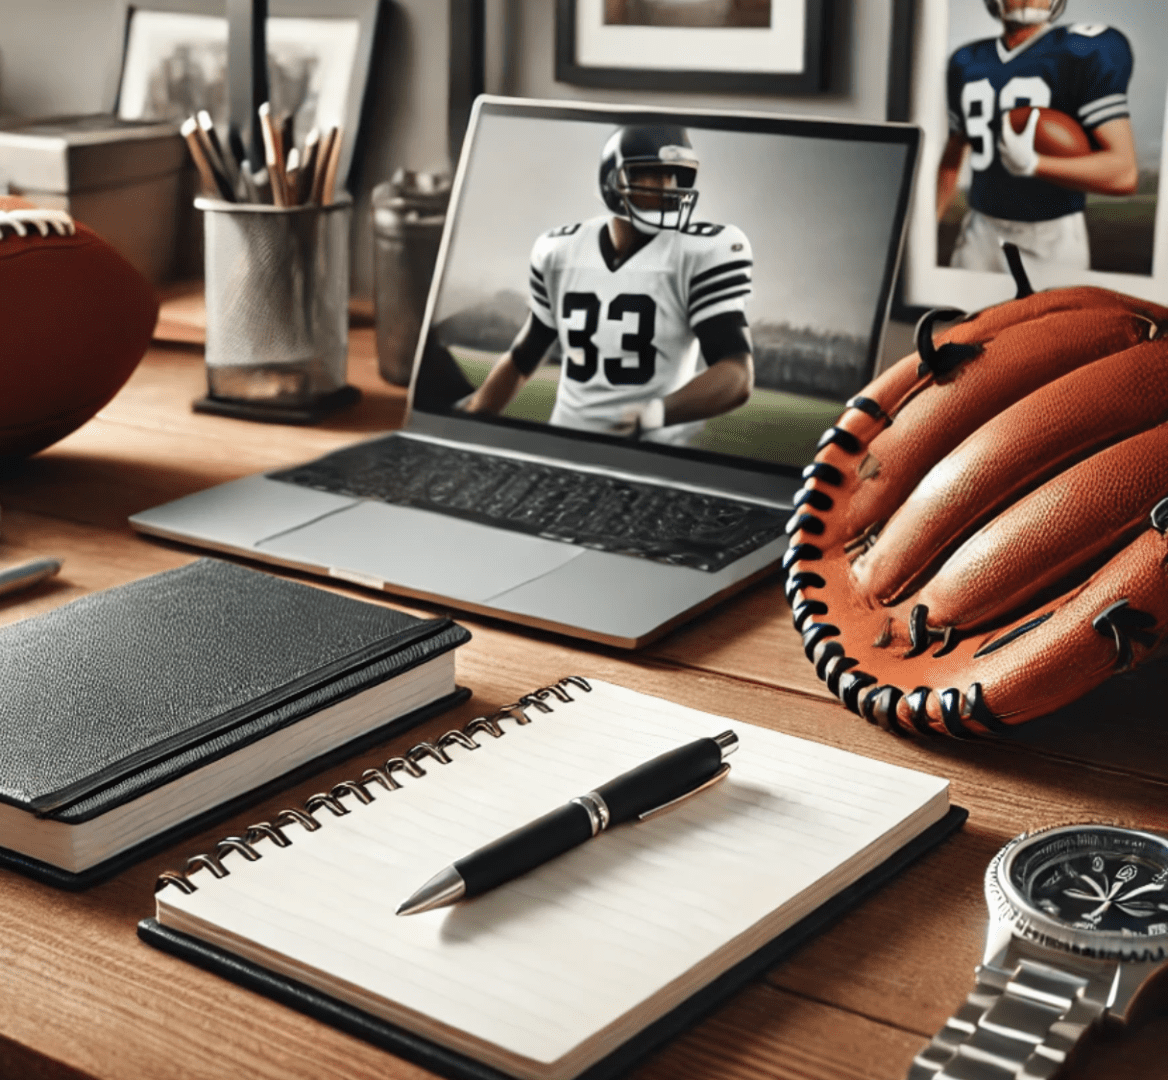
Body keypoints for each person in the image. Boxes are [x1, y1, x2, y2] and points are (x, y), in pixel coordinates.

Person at [464, 124, 754, 445]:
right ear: (612, 180)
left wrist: (654, 414)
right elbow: (522, 359)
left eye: (674, 175)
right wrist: (470, 416)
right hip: (563, 447)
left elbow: (736, 374)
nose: (668, 187)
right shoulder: (559, 250)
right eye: (652, 174)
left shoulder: (701, 251)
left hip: (651, 459)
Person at [937, 0, 1138, 273]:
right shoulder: (965, 61)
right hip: (980, 230)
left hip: (1051, 238)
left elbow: (1124, 173)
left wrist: (1035, 165)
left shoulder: (1083, 51)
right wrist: (922, 229)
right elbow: (952, 157)